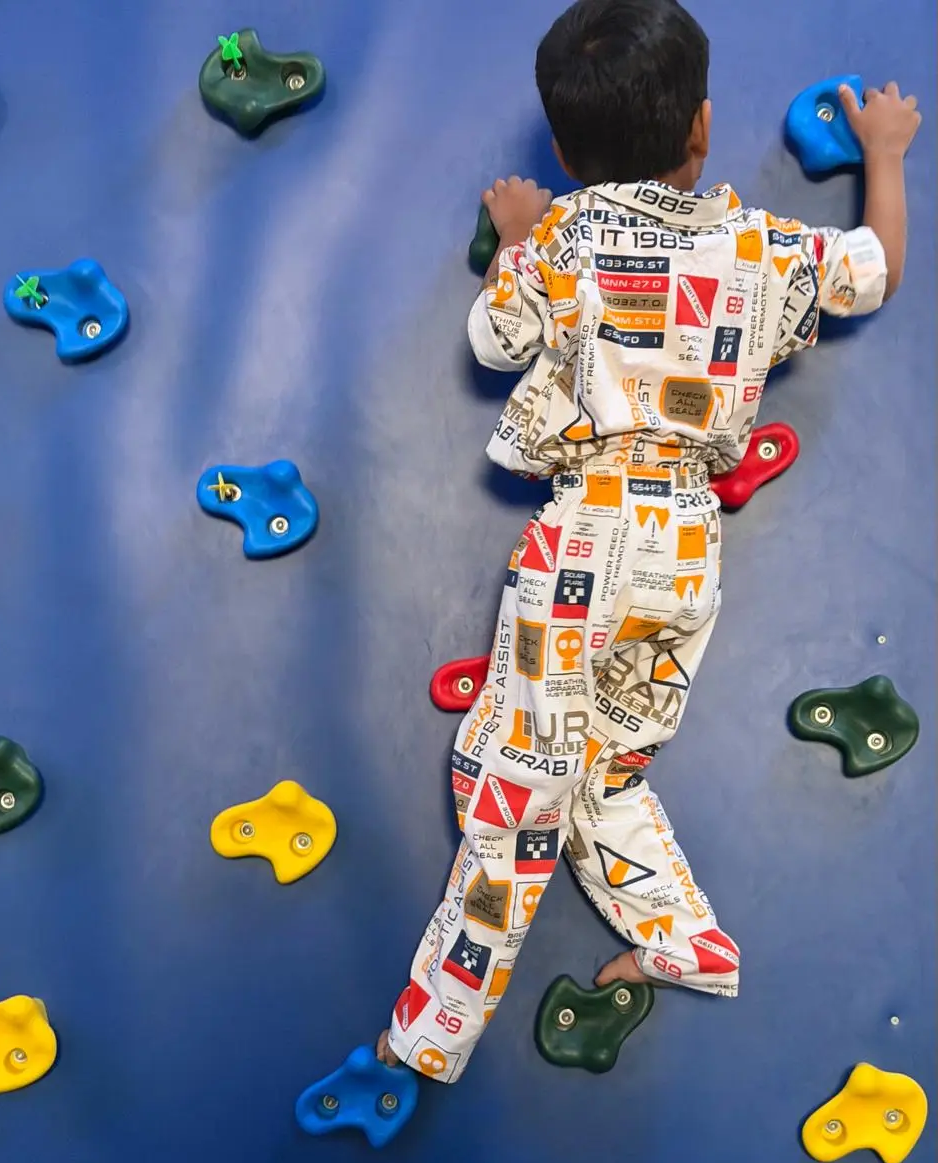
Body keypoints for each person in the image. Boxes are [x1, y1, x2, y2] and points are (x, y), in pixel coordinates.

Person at [377, 0, 921, 1084]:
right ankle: (679, 938)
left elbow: (490, 342)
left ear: (565, 152)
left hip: (587, 536)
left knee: (512, 776)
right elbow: (875, 268)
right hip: (683, 545)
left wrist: (525, 237)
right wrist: (886, 154)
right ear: (703, 129)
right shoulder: (760, 248)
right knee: (608, 767)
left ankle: (435, 1027)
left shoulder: (566, 241)